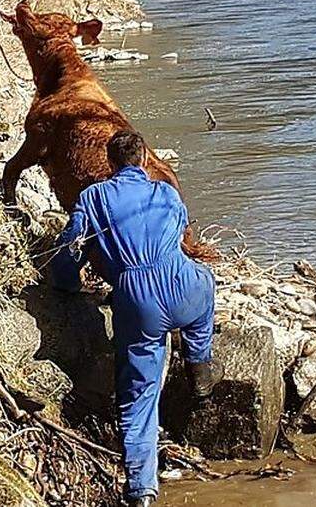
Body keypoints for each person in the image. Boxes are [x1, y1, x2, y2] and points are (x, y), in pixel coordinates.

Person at [53, 131, 223, 507]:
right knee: (205, 288)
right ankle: (199, 367)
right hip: (185, 285)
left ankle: (142, 490)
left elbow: (71, 247)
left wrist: (63, 284)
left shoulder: (94, 197)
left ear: (111, 164)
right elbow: (180, 234)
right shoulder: (166, 192)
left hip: (138, 299)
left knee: (138, 398)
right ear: (145, 159)